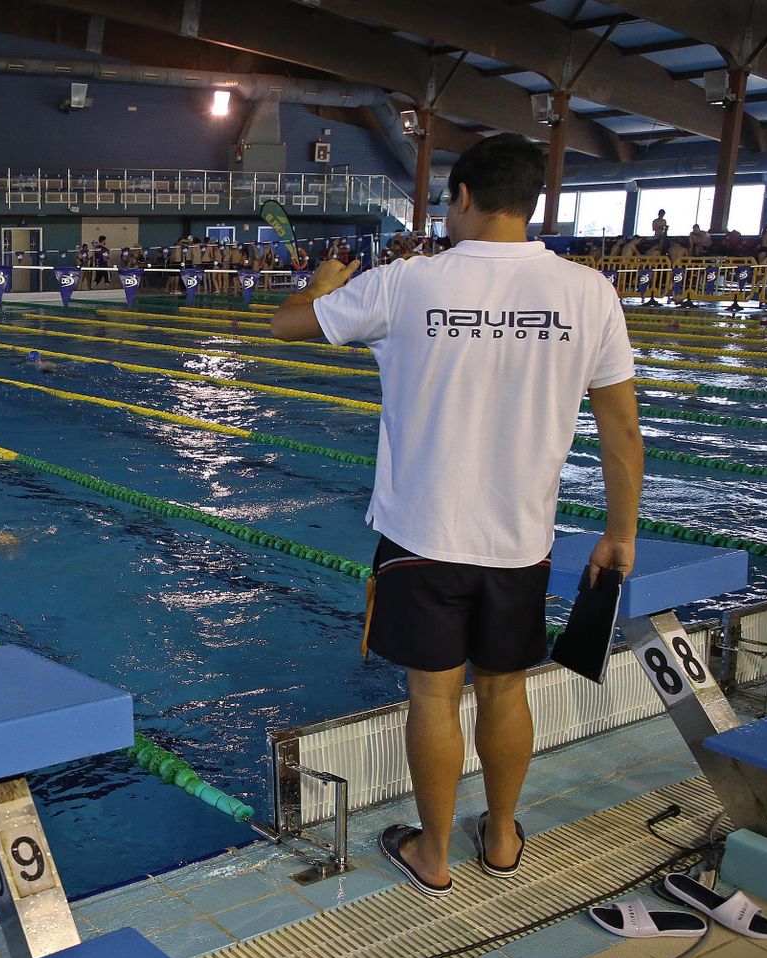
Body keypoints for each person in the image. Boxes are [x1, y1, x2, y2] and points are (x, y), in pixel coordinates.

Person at [270, 133, 643, 899]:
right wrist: (620, 532)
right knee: (507, 690)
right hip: (520, 542)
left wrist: (322, 280)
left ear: (464, 197)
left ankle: (433, 853)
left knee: (433, 697)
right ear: (529, 200)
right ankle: (502, 836)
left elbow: (286, 325)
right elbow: (622, 431)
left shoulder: (406, 283)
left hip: (422, 539)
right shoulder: (588, 292)